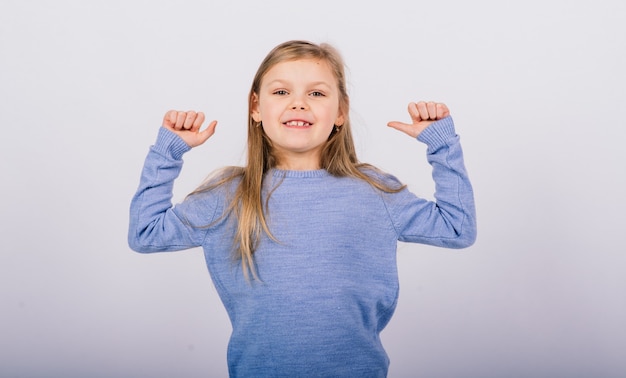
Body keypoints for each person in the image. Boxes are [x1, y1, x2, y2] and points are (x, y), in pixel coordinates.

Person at [128, 40, 476, 377]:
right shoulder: (227, 196)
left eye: (317, 93)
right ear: (255, 107)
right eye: (281, 92)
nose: (298, 104)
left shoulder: (375, 191)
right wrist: (168, 151)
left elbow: (457, 228)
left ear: (341, 112)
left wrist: (442, 144)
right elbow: (145, 233)